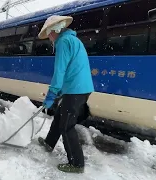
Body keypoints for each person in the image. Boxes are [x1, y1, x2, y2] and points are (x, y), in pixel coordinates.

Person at [37, 15, 94, 173]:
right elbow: (72, 69)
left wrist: (51, 95)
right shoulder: (74, 40)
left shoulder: (62, 42)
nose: (49, 37)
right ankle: (49, 143)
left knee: (67, 125)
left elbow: (60, 70)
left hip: (76, 89)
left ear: (54, 30)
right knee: (60, 116)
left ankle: (77, 164)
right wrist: (59, 92)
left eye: (49, 33)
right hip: (77, 87)